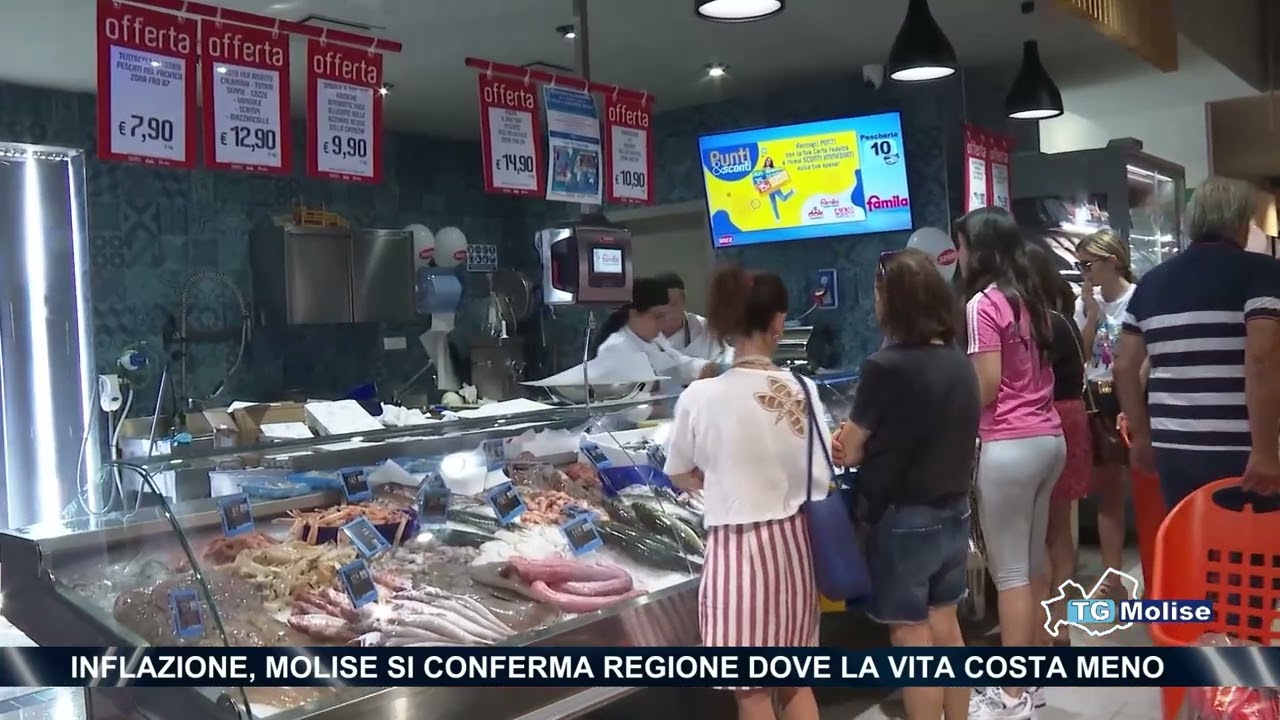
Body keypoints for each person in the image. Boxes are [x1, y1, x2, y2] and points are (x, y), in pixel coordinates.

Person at [663, 264, 830, 720]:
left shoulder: (699, 396)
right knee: (795, 682)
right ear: (778, 321)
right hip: (794, 548)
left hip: (736, 553)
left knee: (751, 690)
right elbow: (822, 475)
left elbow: (677, 472)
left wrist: (716, 478)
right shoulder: (803, 388)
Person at [830, 248, 977, 720]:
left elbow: (850, 448)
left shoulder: (884, 367)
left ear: (894, 301)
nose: (875, 303)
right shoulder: (958, 361)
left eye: (879, 294)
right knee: (947, 627)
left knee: (911, 640)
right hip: (955, 513)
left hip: (903, 519)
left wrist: (845, 442)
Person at [958, 206, 1065, 719]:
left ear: (978, 250)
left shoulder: (983, 304)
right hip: (1049, 440)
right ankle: (1034, 685)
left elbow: (986, 385)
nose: (958, 257)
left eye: (961, 246)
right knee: (1034, 561)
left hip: (1008, 445)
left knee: (1012, 574)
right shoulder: (1032, 299)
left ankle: (1012, 694)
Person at [1115, 177, 1280, 509]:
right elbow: (1261, 358)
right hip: (1242, 447)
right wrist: (1264, 450)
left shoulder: (1152, 282)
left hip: (1173, 447)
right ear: (1241, 221)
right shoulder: (1263, 272)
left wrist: (1143, 437)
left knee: (1190, 534)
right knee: (1249, 539)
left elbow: (1124, 367)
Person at [1028, 244, 1093, 644]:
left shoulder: (1032, 325)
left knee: (1036, 532)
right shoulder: (1063, 322)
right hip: (1071, 419)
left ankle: (1040, 625)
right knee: (1060, 528)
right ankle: (1060, 623)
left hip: (1042, 421)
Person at [1072, 229, 1135, 594]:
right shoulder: (1085, 302)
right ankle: (1113, 581)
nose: (1084, 272)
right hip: (1097, 396)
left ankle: (1159, 574)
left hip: (1129, 394)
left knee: (1143, 488)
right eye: (1080, 265)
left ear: (1112, 262)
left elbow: (1145, 355)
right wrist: (1092, 314)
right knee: (1108, 493)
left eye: (1088, 264)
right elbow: (1080, 355)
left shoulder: (1137, 298)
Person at [588, 277, 712, 389]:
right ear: (634, 313)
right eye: (657, 317)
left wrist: (712, 368)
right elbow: (624, 399)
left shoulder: (657, 341)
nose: (663, 323)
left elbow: (679, 363)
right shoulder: (614, 349)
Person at [653, 273, 733, 362]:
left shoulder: (705, 329)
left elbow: (726, 358)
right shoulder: (645, 332)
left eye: (673, 304)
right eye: (661, 305)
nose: (667, 311)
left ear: (684, 302)